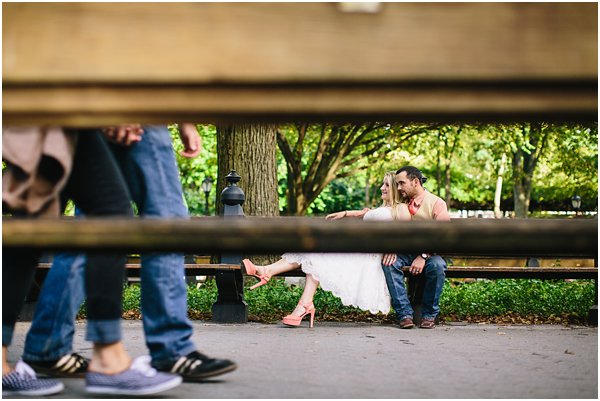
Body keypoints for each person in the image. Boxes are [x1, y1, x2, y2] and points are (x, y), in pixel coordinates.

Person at [21, 124, 237, 382]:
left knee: (94, 225)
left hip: (98, 110)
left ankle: (48, 343)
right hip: (139, 111)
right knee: (165, 221)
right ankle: (170, 347)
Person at [2, 127, 182, 396]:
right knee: (110, 214)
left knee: (34, 216)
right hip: (58, 105)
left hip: (52, 108)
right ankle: (109, 360)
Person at [242, 172, 411, 327]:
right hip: (358, 249)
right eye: (383, 184)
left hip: (370, 257)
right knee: (312, 252)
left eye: (387, 185)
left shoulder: (401, 209)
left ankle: (270, 274)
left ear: (396, 189)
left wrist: (393, 248)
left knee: (315, 254)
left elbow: (406, 234)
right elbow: (363, 213)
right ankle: (299, 301)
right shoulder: (379, 209)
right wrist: (344, 213)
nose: (382, 188)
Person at [381, 166, 450, 329]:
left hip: (430, 253)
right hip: (404, 251)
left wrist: (424, 256)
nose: (398, 188)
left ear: (416, 182)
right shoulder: (400, 201)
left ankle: (429, 315)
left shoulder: (436, 203)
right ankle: (404, 314)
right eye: (397, 184)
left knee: (437, 266)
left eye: (401, 183)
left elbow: (443, 235)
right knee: (389, 263)